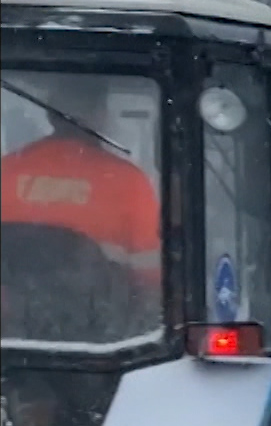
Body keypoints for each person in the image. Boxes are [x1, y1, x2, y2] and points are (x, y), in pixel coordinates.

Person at [2, 74, 163, 290]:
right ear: (101, 115)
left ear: (50, 113)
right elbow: (151, 275)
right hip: (100, 308)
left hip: (12, 309)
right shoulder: (128, 181)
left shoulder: (7, 171)